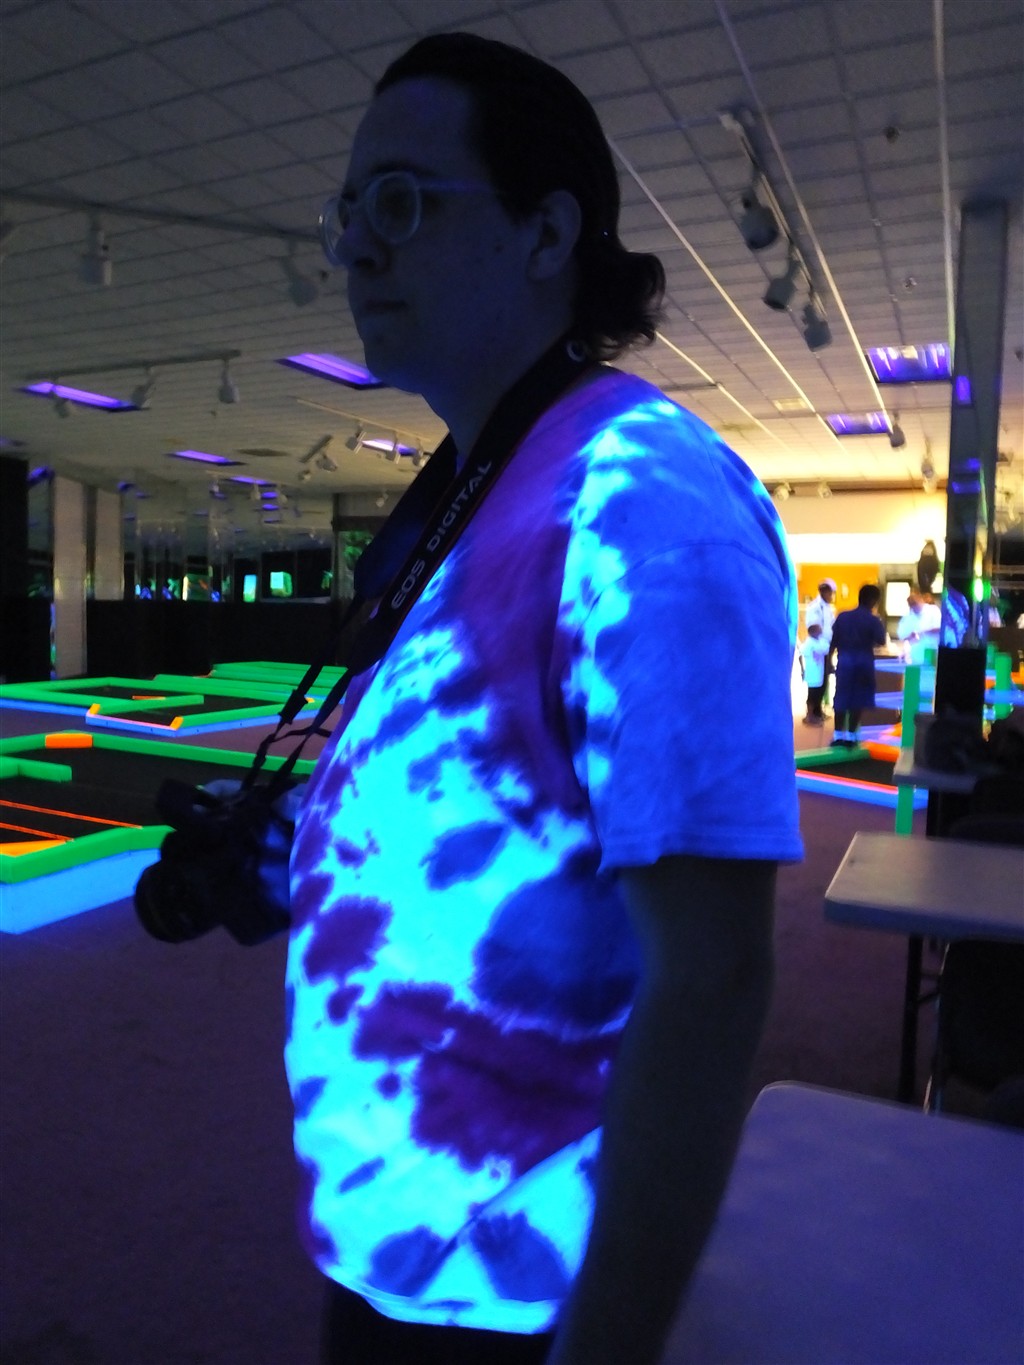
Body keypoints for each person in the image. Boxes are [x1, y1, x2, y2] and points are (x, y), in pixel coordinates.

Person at [286, 32, 802, 1365]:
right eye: (349, 212)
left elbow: (714, 976)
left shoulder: (645, 504)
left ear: (545, 232)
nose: (357, 246)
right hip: (408, 1249)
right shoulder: (487, 486)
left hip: (519, 1294)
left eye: (403, 201)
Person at [830, 583, 887, 747]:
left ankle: (837, 735)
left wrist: (828, 662)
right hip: (864, 663)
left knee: (841, 697)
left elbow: (833, 641)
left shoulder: (843, 616)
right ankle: (851, 736)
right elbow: (881, 640)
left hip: (845, 662)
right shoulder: (873, 620)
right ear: (873, 600)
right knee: (859, 698)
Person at [805, 578, 836, 709]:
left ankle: (818, 711)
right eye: (829, 593)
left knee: (823, 681)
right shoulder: (815, 607)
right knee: (815, 683)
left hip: (825, 648)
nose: (831, 596)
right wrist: (823, 634)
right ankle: (812, 712)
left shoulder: (828, 608)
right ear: (823, 592)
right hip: (817, 648)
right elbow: (812, 629)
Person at [896, 592, 941, 666]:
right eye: (913, 606)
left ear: (921, 601)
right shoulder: (908, 616)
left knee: (928, 671)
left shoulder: (933, 610)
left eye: (916, 605)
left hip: (930, 649)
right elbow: (902, 635)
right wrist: (910, 637)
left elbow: (939, 628)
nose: (915, 608)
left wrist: (922, 632)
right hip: (914, 652)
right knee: (912, 673)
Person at [800, 623, 829, 725]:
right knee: (812, 695)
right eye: (818, 629)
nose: (821, 631)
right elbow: (802, 652)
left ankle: (816, 715)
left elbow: (826, 649)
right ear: (813, 632)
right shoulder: (808, 643)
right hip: (812, 673)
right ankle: (809, 716)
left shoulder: (820, 641)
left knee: (818, 695)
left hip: (819, 672)